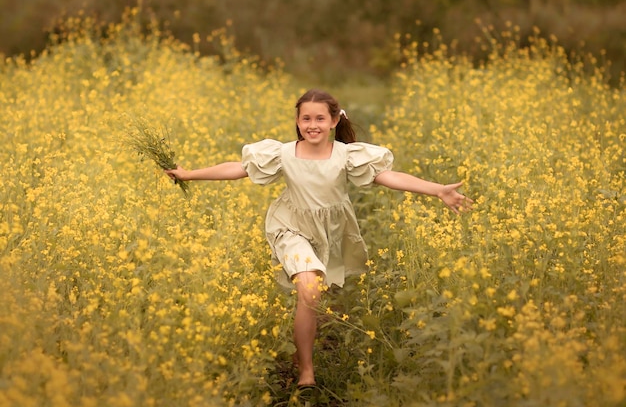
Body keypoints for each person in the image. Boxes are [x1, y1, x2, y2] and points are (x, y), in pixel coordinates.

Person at [165, 88, 473, 388]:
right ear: (298, 121)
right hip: (290, 227)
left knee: (311, 297)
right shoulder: (283, 154)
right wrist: (190, 174)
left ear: (334, 121)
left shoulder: (346, 155)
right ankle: (306, 370)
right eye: (306, 119)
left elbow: (389, 177)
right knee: (309, 290)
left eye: (320, 119)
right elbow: (239, 169)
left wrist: (437, 189)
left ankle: (304, 354)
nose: (313, 125)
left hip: (328, 231)